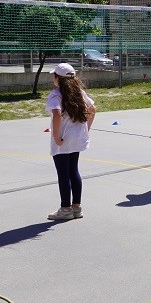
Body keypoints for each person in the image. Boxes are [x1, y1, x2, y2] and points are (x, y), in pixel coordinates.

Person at [46, 63, 96, 220]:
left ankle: (65, 209)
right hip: (77, 138)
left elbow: (56, 114)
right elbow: (92, 109)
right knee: (74, 170)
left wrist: (56, 137)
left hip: (63, 138)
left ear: (57, 78)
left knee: (63, 173)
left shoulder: (56, 94)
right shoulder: (79, 92)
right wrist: (86, 129)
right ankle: (76, 207)